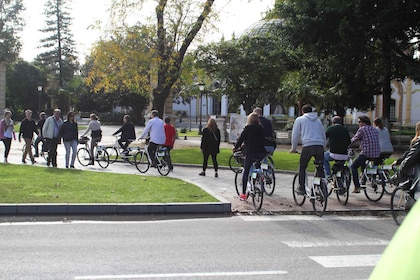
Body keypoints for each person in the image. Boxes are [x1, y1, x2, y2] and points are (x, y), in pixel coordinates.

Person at [290, 104, 326, 195]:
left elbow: (295, 135)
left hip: (308, 146)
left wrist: (294, 148)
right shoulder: (318, 121)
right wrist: (323, 147)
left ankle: (301, 187)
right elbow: (323, 135)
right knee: (320, 167)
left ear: (302, 111)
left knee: (302, 166)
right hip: (319, 145)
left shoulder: (300, 119)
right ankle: (322, 186)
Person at [233, 113, 266, 201]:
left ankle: (243, 193)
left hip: (250, 152)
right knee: (257, 166)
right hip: (261, 152)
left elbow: (241, 139)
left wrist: (236, 147)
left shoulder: (248, 128)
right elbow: (263, 140)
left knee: (246, 171)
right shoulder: (261, 128)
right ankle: (257, 180)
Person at [349, 115, 380, 193]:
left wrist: (346, 144)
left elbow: (354, 139)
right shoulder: (374, 129)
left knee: (354, 166)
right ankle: (367, 179)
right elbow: (369, 140)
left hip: (367, 153)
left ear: (363, 122)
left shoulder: (362, 129)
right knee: (363, 164)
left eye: (359, 122)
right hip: (376, 153)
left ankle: (357, 186)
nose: (358, 123)